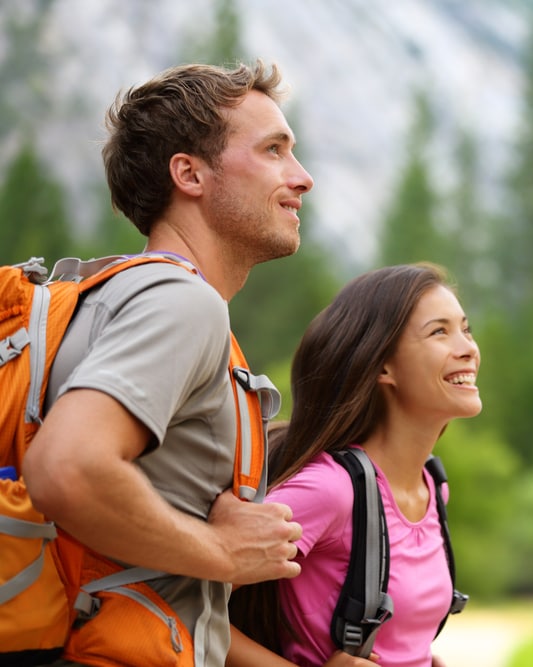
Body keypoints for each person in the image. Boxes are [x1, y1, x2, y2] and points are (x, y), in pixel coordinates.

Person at [22, 60, 313, 666]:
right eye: (274, 150)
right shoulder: (183, 302)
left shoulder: (109, 297)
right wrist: (222, 551)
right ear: (190, 173)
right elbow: (67, 468)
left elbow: (164, 591)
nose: (302, 177)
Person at [227, 263, 481, 667]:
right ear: (383, 366)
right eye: (439, 332)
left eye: (465, 329)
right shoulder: (330, 491)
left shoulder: (433, 485)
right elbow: (189, 603)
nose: (468, 347)